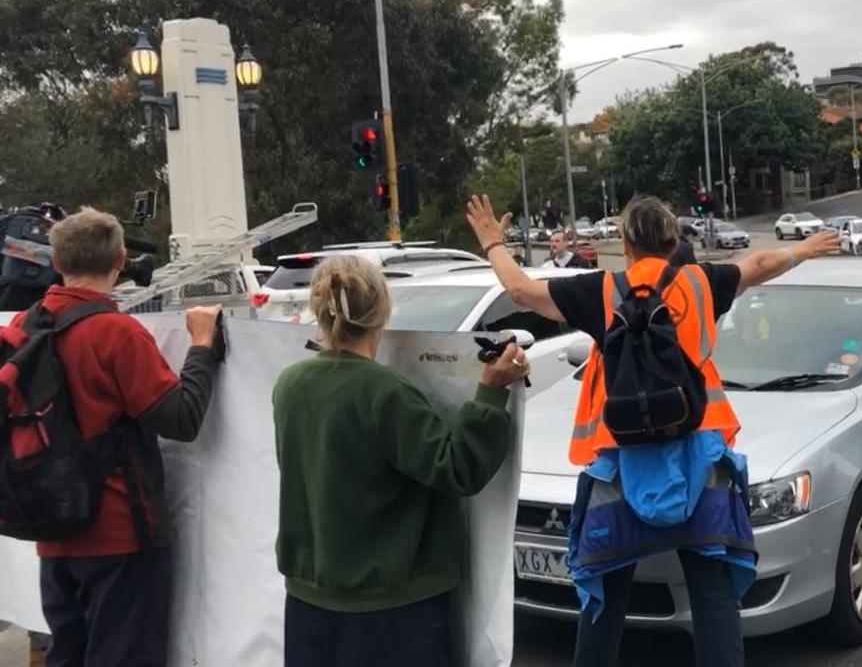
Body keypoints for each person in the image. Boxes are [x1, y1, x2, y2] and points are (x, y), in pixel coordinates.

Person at [466, 194, 839, 667]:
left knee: (605, 592)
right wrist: (802, 250)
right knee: (712, 593)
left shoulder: (600, 291)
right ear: (673, 239)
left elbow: (521, 291)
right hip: (701, 458)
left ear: (624, 243)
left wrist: (494, 243)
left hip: (620, 465)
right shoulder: (702, 282)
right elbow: (758, 264)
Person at [273, 254, 530, 667]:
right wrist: (490, 393)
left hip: (308, 602)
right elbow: (457, 469)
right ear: (382, 312)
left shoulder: (289, 385)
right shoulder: (386, 393)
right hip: (392, 610)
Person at [8, 207, 223, 667]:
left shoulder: (25, 327)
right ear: (120, 260)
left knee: (69, 654)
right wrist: (202, 346)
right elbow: (181, 419)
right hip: (120, 536)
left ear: (58, 262)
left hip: (53, 533)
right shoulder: (116, 333)